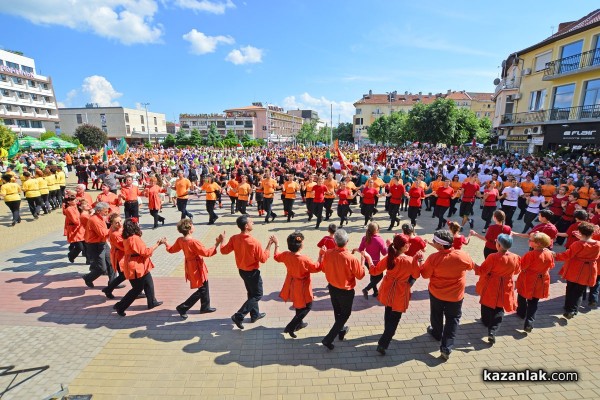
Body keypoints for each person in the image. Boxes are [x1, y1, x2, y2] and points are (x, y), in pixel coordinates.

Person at [420, 229, 475, 360]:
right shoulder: (462, 255)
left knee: (436, 314)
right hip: (456, 296)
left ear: (440, 245)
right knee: (453, 319)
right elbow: (471, 266)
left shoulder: (433, 258)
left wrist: (421, 262)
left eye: (434, 241)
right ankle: (446, 347)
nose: (433, 243)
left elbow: (425, 274)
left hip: (437, 293)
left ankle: (437, 333)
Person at [363, 233, 421, 355]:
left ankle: (386, 333)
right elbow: (416, 275)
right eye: (408, 244)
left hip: (388, 288)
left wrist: (368, 258)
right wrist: (417, 261)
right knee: (395, 318)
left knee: (388, 311)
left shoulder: (389, 257)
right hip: (400, 290)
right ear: (404, 247)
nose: (410, 245)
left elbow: (374, 271)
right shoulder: (410, 260)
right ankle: (384, 343)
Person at [220, 215, 274, 329]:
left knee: (251, 293)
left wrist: (222, 240)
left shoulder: (234, 238)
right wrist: (269, 245)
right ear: (246, 226)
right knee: (258, 295)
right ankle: (239, 316)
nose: (253, 222)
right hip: (253, 273)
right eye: (251, 222)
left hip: (242, 271)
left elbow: (224, 251)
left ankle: (255, 315)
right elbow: (263, 259)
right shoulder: (254, 242)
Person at [166, 219, 224, 319]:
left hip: (190, 264)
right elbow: (207, 253)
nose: (193, 225)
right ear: (189, 229)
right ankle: (183, 307)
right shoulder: (194, 242)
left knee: (204, 284)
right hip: (196, 266)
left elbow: (172, 250)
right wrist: (217, 243)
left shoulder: (180, 240)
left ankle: (205, 306)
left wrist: (166, 243)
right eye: (192, 224)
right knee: (202, 289)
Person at [319, 229, 366, 350]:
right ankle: (329, 338)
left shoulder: (328, 253)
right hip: (346, 291)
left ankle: (340, 332)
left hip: (332, 288)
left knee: (337, 311)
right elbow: (360, 275)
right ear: (347, 241)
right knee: (345, 313)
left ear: (334, 241)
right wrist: (362, 261)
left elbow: (323, 269)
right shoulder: (351, 258)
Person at [273, 231, 323, 338]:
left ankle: (299, 324)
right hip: (303, 286)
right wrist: (320, 255)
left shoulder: (286, 255)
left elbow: (276, 257)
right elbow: (317, 268)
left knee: (298, 304)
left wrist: (276, 244)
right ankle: (291, 326)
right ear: (300, 245)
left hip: (292, 283)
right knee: (308, 306)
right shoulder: (304, 259)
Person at [474, 234, 521, 344]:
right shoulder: (515, 257)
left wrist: (473, 265)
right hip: (506, 284)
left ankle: (485, 322)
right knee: (499, 308)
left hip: (491, 284)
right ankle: (493, 330)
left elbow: (482, 270)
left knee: (486, 303)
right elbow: (517, 270)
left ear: (498, 245)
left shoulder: (493, 257)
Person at [112, 220, 164, 317]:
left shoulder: (127, 237)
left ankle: (152, 302)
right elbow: (145, 252)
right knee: (137, 289)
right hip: (137, 265)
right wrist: (157, 244)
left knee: (148, 283)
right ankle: (120, 306)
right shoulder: (134, 238)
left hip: (137, 264)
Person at [555, 222, 600, 319]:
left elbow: (567, 255)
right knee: (579, 291)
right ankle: (573, 310)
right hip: (589, 269)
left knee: (570, 288)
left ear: (580, 232)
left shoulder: (577, 244)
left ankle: (569, 308)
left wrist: (555, 256)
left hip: (575, 268)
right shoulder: (598, 244)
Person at [516, 232, 555, 332]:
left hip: (528, 278)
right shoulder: (548, 253)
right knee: (534, 302)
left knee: (521, 295)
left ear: (538, 243)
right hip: (541, 280)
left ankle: (521, 313)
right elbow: (551, 266)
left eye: (531, 240)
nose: (529, 241)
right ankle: (529, 322)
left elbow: (522, 266)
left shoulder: (530, 254)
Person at [83, 202, 116, 288]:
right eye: (105, 211)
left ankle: (113, 282)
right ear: (98, 211)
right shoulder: (95, 220)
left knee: (111, 262)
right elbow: (103, 234)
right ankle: (88, 278)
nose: (107, 213)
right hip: (95, 245)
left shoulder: (100, 217)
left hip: (102, 243)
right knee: (101, 268)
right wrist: (114, 228)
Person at [354, 222, 387, 299]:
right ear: (377, 230)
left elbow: (361, 249)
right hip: (375, 262)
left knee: (373, 276)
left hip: (366, 261)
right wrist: (388, 246)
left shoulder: (365, 238)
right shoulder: (379, 239)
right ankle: (366, 289)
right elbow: (384, 252)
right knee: (379, 276)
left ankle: (375, 291)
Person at [101, 213, 127, 299]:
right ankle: (109, 289)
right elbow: (123, 247)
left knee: (125, 275)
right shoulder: (114, 234)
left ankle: (109, 289)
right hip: (119, 257)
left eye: (120, 221)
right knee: (123, 275)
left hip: (122, 255)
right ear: (111, 224)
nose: (120, 224)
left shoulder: (118, 228)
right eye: (117, 222)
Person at [63, 195, 85, 263]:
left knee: (84, 245)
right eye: (73, 200)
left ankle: (89, 260)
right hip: (74, 229)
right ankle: (71, 255)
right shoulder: (69, 209)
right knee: (79, 247)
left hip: (80, 229)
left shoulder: (75, 207)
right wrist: (83, 220)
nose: (75, 201)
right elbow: (75, 220)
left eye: (75, 199)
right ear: (69, 202)